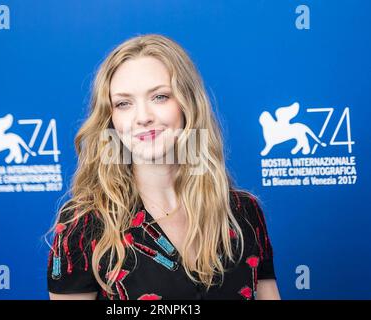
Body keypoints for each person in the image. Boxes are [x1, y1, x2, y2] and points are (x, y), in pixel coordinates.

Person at [46, 34, 281, 300]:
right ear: (111, 119)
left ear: (187, 104)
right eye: (124, 103)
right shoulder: (84, 224)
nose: (143, 117)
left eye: (159, 97)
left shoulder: (243, 213)